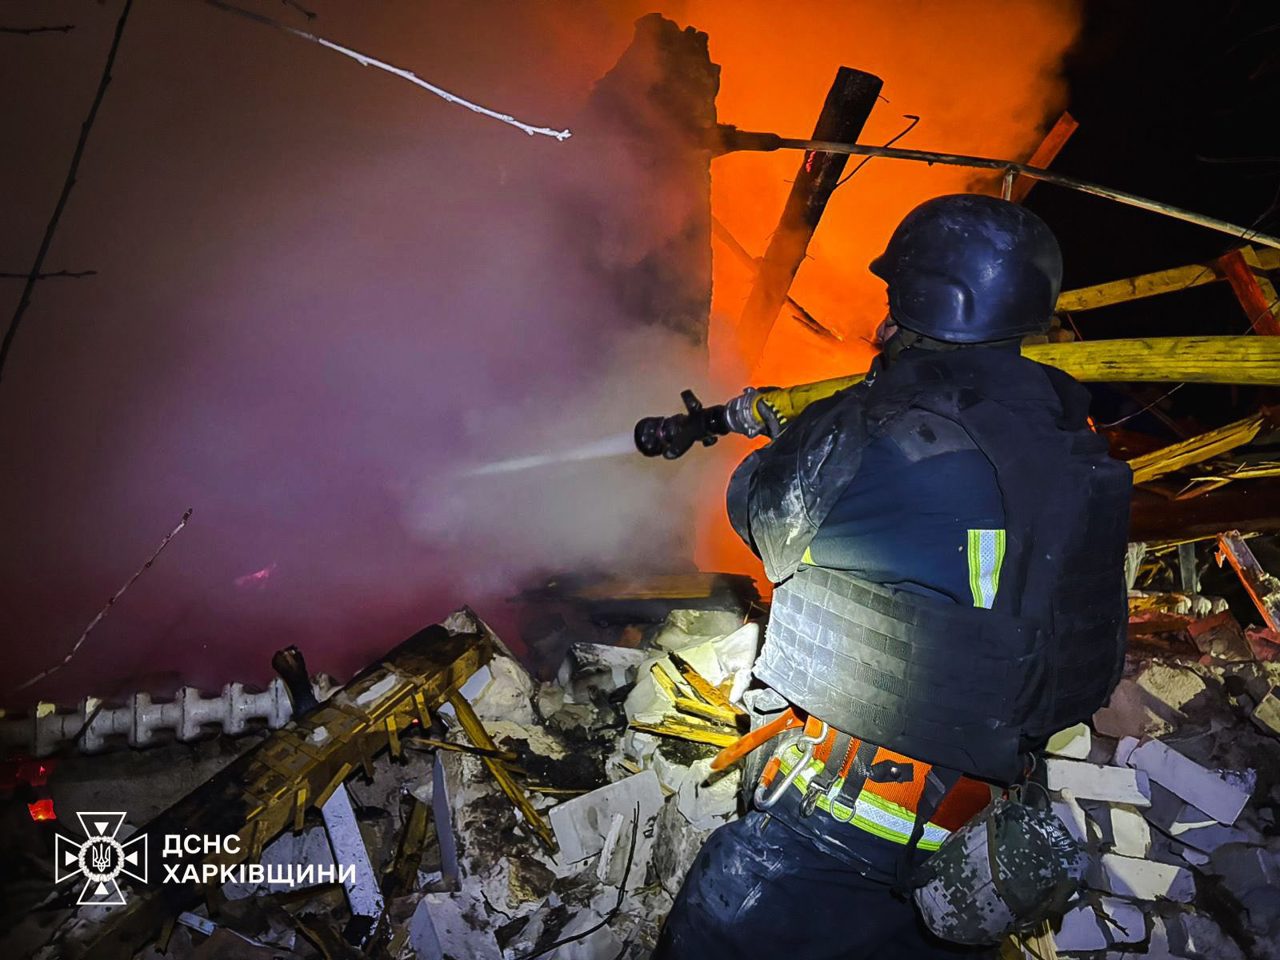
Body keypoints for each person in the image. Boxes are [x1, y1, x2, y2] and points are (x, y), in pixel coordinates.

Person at [654, 194, 1132, 960]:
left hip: (836, 834)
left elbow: (758, 510)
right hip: (973, 845)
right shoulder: (1072, 446)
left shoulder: (888, 434)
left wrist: (818, 425)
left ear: (915, 299)